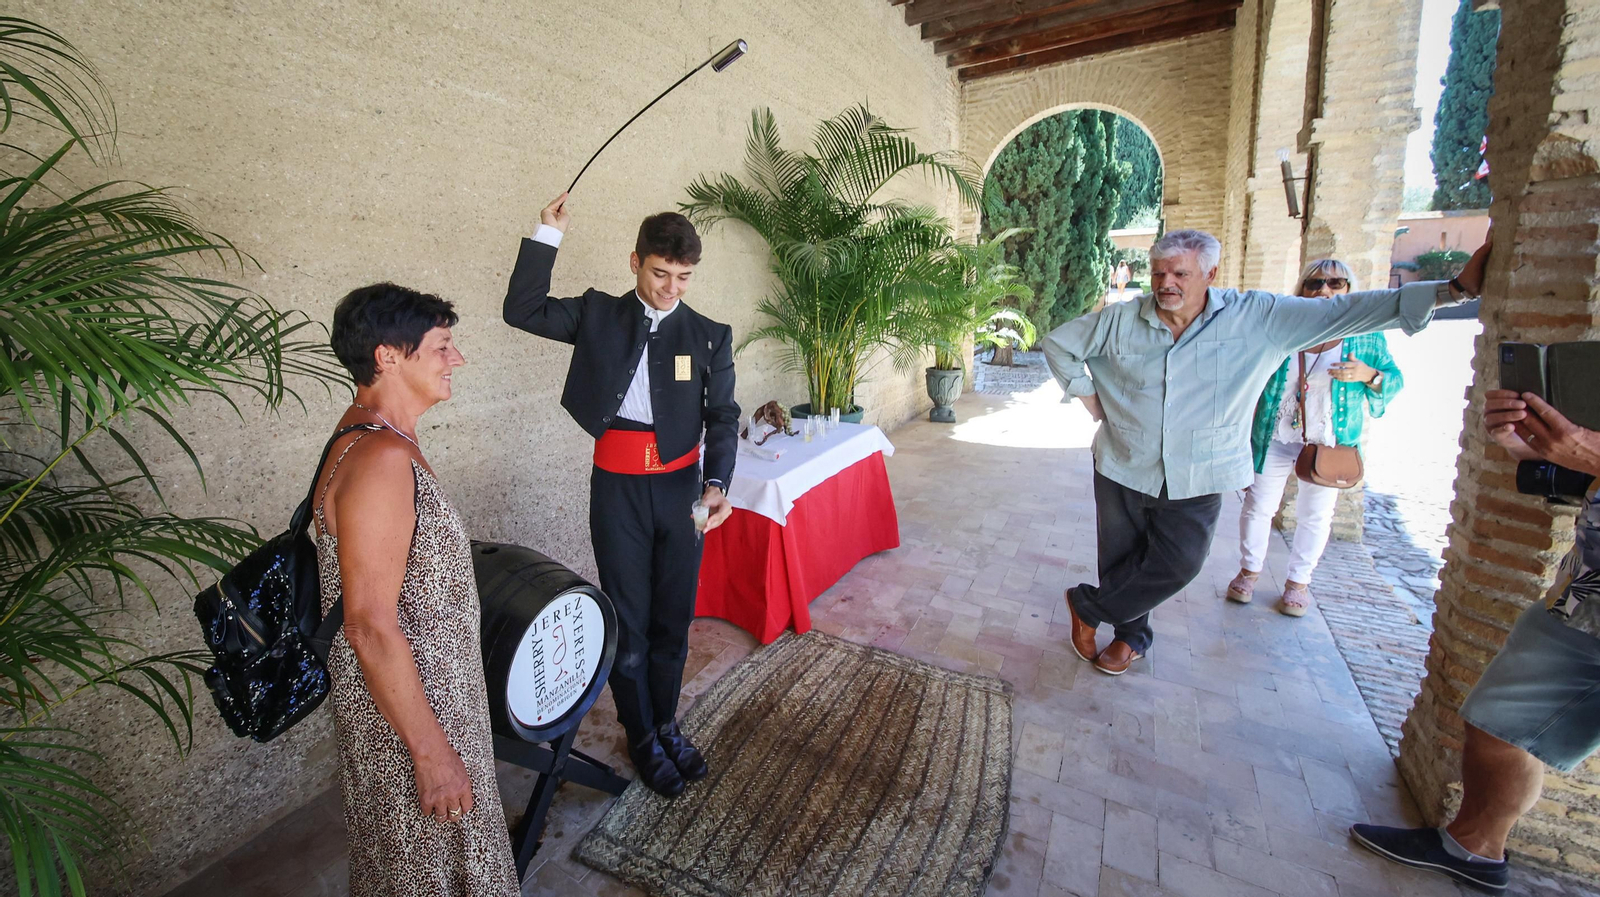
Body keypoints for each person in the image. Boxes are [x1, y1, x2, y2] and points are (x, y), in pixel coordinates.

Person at [1043, 230, 1488, 676]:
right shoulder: (1120, 320)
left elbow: (1344, 311)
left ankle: (1087, 605)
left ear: (1210, 274)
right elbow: (1059, 344)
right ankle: (1130, 637)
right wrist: (1089, 396)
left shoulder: (1257, 317)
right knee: (1123, 559)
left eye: (1181, 273)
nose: (1166, 283)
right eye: (1159, 272)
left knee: (1179, 563)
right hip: (1122, 461)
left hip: (1202, 471)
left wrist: (1450, 292)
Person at [503, 193, 739, 797]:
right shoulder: (598, 314)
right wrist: (546, 233)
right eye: (660, 273)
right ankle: (640, 736)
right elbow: (522, 309)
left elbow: (722, 416)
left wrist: (718, 487)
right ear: (636, 262)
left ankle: (666, 723)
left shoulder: (709, 335)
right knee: (630, 621)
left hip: (683, 492)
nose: (671, 288)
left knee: (674, 619)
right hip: (618, 493)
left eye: (683, 277)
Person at [1350, 387, 1600, 893]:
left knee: (1500, 722)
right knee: (1497, 721)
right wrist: (1537, 451)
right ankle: (1474, 846)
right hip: (1584, 598)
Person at [315, 284, 518, 896]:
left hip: (428, 696)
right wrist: (431, 756)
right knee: (426, 866)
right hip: (411, 713)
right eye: (442, 347)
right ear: (387, 357)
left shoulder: (379, 439)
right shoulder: (378, 459)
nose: (455, 360)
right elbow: (369, 624)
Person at [1229, 259, 1405, 616]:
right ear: (1301, 290)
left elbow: (1394, 380)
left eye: (1336, 283)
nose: (1324, 290)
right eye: (1314, 283)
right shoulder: (1285, 328)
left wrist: (1368, 375)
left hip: (1329, 438)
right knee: (1258, 504)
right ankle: (1249, 571)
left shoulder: (1365, 335)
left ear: (1348, 290)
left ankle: (1298, 583)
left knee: (1316, 514)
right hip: (1276, 431)